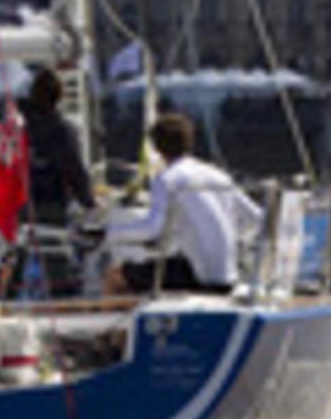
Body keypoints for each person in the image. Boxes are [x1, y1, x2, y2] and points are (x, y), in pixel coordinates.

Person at [104, 113, 262, 294]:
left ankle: (117, 313)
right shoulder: (217, 175)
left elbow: (153, 228)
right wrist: (235, 241)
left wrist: (111, 232)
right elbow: (256, 218)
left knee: (116, 275)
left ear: (156, 148)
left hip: (198, 276)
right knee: (165, 266)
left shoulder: (167, 178)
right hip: (229, 275)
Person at [20, 67, 95, 226]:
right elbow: (75, 172)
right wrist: (89, 203)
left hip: (20, 210)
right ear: (59, 97)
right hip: (54, 209)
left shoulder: (16, 128)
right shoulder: (64, 132)